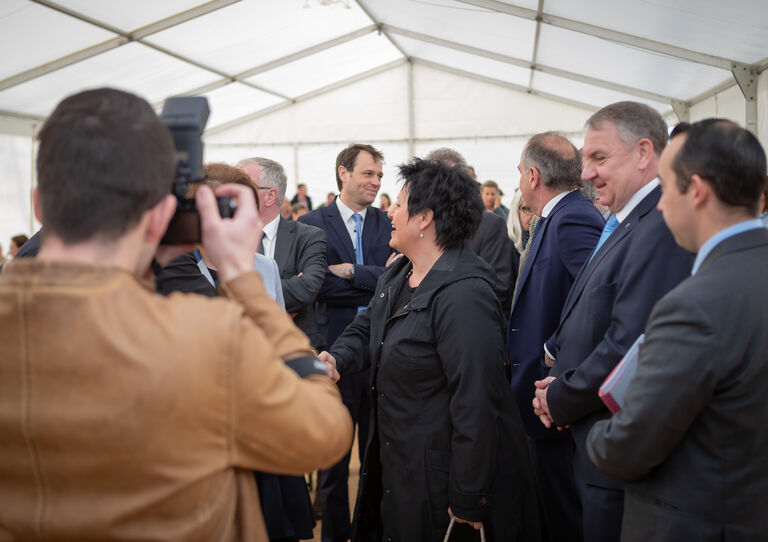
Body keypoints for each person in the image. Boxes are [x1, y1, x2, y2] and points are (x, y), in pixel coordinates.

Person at [0, 88, 353, 541]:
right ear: (161, 216)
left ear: (39, 205)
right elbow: (323, 433)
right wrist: (242, 279)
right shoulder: (204, 335)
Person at [321, 158, 540, 541]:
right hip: (398, 463)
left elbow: (476, 401)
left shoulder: (465, 294)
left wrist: (469, 494)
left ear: (424, 218)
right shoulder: (399, 272)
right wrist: (337, 357)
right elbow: (368, 325)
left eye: (401, 204)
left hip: (437, 479)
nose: (390, 210)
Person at [587, 119, 768, 541]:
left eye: (666, 188)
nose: (663, 206)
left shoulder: (694, 306)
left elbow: (631, 445)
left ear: (698, 191)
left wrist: (595, 435)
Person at [532, 101, 694, 542]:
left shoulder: (660, 223)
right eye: (585, 160)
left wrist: (563, 396)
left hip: (616, 447)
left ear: (644, 153)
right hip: (595, 438)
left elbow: (631, 341)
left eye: (599, 158)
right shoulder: (625, 220)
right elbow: (592, 313)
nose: (586, 173)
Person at [157, 162, 313, 541]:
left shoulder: (264, 267)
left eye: (253, 211)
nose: (253, 224)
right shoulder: (166, 273)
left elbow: (278, 340)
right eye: (238, 211)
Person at [508, 132, 604, 542]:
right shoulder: (557, 216)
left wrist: (552, 351)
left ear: (532, 175)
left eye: (518, 173)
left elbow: (599, 297)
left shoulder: (574, 217)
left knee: (565, 515)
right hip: (543, 397)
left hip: (557, 394)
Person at [297, 143, 394, 542]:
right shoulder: (311, 223)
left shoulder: (389, 222)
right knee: (333, 466)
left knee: (381, 461)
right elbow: (314, 285)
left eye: (379, 177)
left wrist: (352, 272)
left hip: (380, 355)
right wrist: (372, 281)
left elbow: (394, 280)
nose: (375, 182)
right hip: (331, 354)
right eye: (368, 174)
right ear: (344, 173)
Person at [239, 156, 327, 351]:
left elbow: (307, 288)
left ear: (270, 196)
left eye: (243, 186)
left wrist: (244, 295)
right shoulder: (226, 238)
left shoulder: (308, 236)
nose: (233, 193)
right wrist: (279, 296)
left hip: (296, 351)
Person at [425, 148, 515, 317]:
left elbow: (498, 288)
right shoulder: (422, 225)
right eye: (431, 180)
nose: (437, 188)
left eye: (445, 179)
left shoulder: (490, 225)